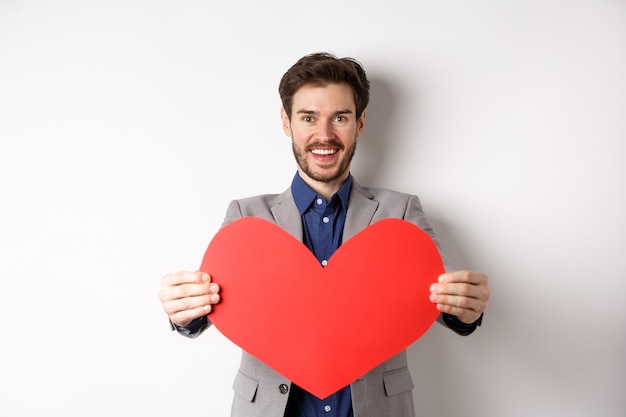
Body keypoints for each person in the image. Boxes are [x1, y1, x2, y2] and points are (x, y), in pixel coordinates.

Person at [159, 52, 491, 417]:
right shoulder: (246, 218)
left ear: (360, 123)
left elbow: (442, 300)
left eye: (340, 118)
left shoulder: (400, 212)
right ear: (286, 122)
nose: (325, 135)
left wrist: (465, 307)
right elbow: (212, 307)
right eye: (308, 118)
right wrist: (185, 312)